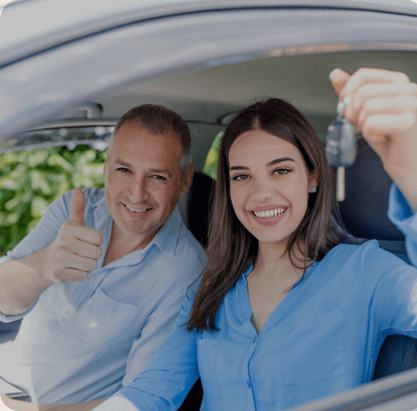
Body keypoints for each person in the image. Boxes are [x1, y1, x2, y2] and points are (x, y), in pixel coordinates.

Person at [85, 67, 417, 411]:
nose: (261, 194)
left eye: (281, 170)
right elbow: (153, 391)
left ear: (313, 177)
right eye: (242, 176)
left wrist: (411, 173)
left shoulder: (365, 271)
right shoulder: (211, 288)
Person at [0, 104, 206, 410]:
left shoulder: (187, 271)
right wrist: (44, 266)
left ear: (185, 180)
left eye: (157, 177)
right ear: (106, 167)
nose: (137, 194)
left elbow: (137, 399)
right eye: (124, 170)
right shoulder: (72, 210)